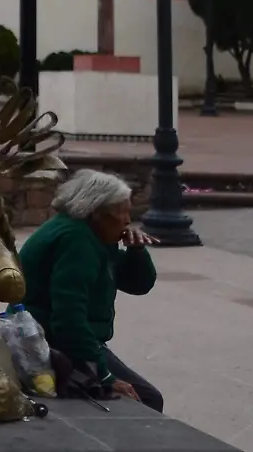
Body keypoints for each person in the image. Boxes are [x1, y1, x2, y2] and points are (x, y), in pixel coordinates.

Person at [17, 169, 163, 412]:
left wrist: (136, 251)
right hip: (52, 341)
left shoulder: (92, 235)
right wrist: (104, 376)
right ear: (96, 213)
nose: (128, 220)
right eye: (121, 212)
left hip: (59, 337)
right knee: (147, 399)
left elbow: (138, 285)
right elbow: (68, 318)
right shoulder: (76, 241)